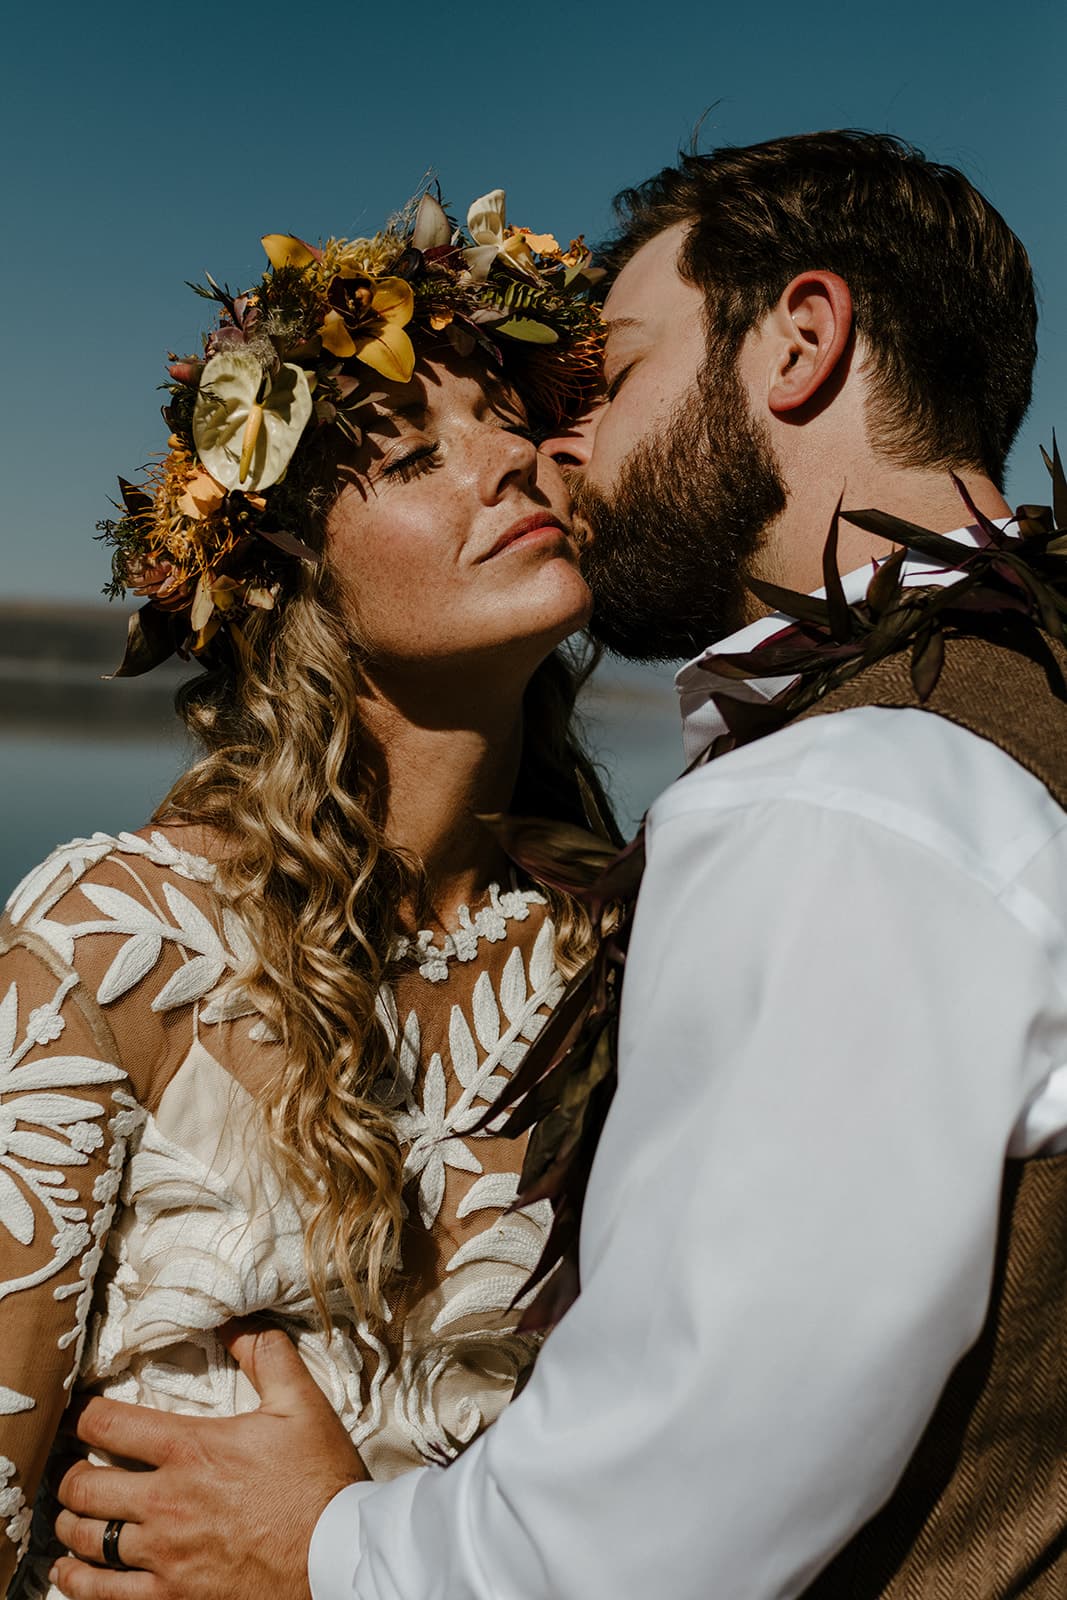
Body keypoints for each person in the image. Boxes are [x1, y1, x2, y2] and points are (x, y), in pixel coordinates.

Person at [50, 130, 1067, 1600]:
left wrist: (322, 1549)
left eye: (622, 377)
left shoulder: (848, 798)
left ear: (800, 341)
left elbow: (668, 1519)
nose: (556, 450)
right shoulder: (1022, 703)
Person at [0, 187, 614, 1598]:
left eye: (512, 423)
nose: (510, 466)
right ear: (293, 589)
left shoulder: (634, 933)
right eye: (413, 451)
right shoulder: (110, 945)